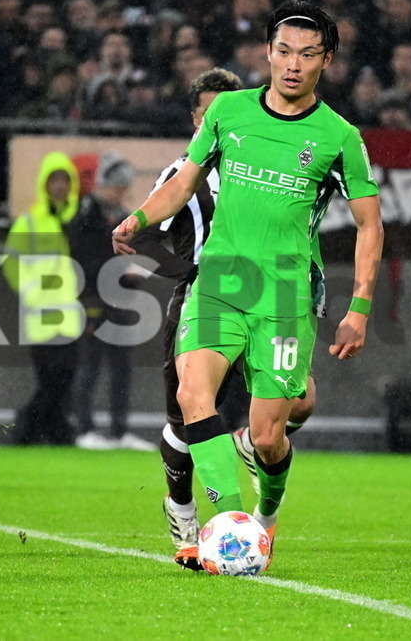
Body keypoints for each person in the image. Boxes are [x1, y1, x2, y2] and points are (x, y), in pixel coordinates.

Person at [112, 0, 383, 562]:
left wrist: (358, 307)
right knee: (192, 392)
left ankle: (266, 514)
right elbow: (183, 181)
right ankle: (229, 526)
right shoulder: (228, 111)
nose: (293, 64)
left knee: (266, 435)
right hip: (220, 280)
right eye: (284, 51)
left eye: (307, 54)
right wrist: (139, 217)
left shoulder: (339, 137)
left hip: (284, 294)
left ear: (326, 60)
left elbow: (369, 224)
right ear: (267, 52)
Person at [127, 67, 317, 570]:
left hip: (267, 299)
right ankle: (185, 515)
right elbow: (144, 237)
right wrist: (191, 271)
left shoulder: (266, 164)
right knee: (186, 415)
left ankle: (250, 444)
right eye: (210, 112)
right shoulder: (182, 173)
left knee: (301, 400)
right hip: (203, 301)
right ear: (197, 120)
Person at [66, 150, 155, 452]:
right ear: (103, 184)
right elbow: (81, 261)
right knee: (89, 366)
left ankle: (120, 430)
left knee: (122, 369)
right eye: (117, 187)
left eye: (123, 188)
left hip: (121, 301)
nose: (121, 193)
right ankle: (84, 429)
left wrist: (135, 272)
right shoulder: (85, 215)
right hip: (94, 299)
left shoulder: (121, 216)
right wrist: (114, 272)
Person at [2, 152, 81, 445]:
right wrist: (29, 292)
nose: (60, 186)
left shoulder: (79, 219)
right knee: (50, 381)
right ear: (44, 184)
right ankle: (34, 430)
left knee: (63, 381)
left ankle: (43, 431)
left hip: (69, 315)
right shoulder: (30, 222)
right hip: (41, 315)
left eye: (64, 180)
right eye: (54, 180)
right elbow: (10, 262)